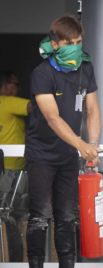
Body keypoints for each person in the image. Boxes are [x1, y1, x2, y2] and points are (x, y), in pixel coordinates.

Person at [25, 15, 101, 268]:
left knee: (68, 217)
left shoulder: (86, 68)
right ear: (55, 44)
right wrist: (82, 146)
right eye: (70, 43)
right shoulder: (42, 73)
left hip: (68, 156)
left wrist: (93, 144)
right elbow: (52, 118)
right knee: (40, 217)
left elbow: (92, 110)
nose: (76, 48)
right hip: (42, 156)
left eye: (79, 42)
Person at [0, 71, 30, 262]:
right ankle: (16, 262)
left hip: (8, 170)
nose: (17, 88)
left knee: (8, 217)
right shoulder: (8, 102)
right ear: (5, 85)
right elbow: (36, 107)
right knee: (12, 218)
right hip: (11, 173)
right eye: (14, 84)